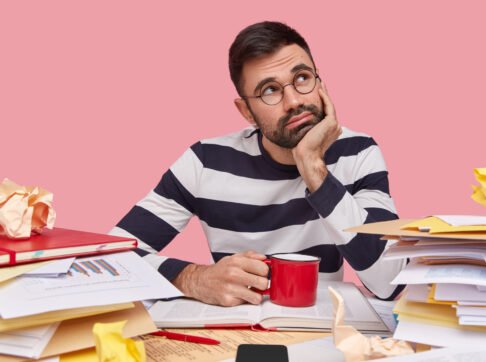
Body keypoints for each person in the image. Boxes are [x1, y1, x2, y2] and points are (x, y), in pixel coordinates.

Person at [110, 21, 406, 306]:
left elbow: (390, 282)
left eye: (302, 78)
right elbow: (111, 258)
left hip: (320, 335)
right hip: (230, 336)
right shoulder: (205, 162)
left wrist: (313, 168)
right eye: (270, 90)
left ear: (321, 83)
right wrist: (193, 279)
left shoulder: (358, 153)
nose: (292, 101)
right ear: (246, 112)